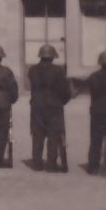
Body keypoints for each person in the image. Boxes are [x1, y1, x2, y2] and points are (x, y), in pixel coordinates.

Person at [28, 43, 73, 172]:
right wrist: (62, 101)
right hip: (54, 106)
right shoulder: (58, 70)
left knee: (37, 134)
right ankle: (51, 164)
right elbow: (65, 91)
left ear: (40, 56)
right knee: (54, 135)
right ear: (53, 57)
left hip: (37, 105)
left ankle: (37, 163)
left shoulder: (32, 69)